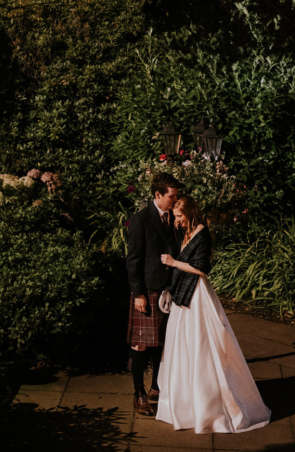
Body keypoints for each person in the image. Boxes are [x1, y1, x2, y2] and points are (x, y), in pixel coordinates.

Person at [156, 196, 271, 433]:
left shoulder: (202, 234)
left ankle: (209, 406)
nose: (177, 221)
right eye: (176, 217)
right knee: (181, 346)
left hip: (196, 295)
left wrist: (174, 262)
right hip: (182, 294)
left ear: (190, 213)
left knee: (201, 344)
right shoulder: (185, 231)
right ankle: (184, 402)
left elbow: (201, 269)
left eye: (180, 216)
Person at [125, 171, 182, 416]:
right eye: (172, 196)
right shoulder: (141, 219)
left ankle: (157, 387)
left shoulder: (174, 218)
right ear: (157, 195)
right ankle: (139, 395)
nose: (175, 200)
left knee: (162, 343)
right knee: (140, 345)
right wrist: (138, 293)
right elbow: (133, 260)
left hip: (170, 290)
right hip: (147, 291)